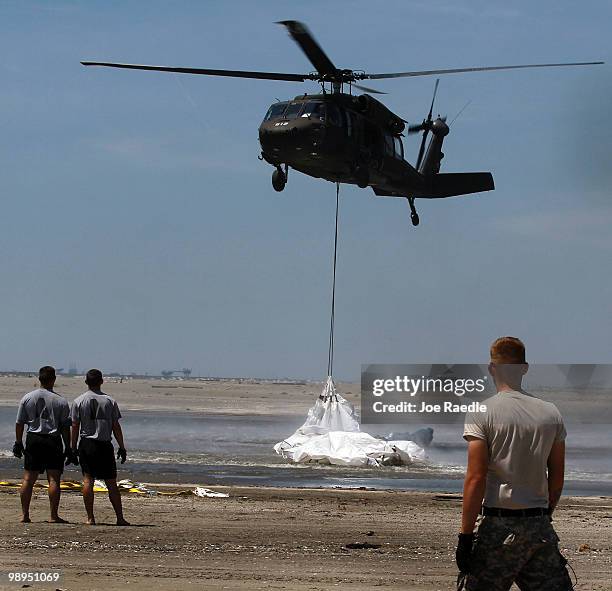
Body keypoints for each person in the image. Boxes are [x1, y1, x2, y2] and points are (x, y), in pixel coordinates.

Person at [456, 337, 572, 590]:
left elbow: (476, 478)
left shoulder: (482, 411)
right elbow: (557, 478)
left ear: (491, 368)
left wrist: (465, 536)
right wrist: (543, 515)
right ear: (525, 368)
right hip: (539, 526)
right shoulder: (550, 412)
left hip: (499, 526)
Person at [13, 366, 73, 523]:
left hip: (34, 439)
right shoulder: (60, 401)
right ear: (53, 379)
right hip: (52, 440)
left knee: (28, 479)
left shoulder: (27, 398)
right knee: (53, 479)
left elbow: (19, 423)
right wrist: (69, 447)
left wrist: (18, 442)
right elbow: (65, 428)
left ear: (39, 379)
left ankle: (25, 514)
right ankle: (53, 515)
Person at [70, 369, 129, 526]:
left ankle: (90, 517)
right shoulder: (109, 401)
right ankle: (120, 518)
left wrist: (72, 447)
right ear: (101, 381)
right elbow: (115, 426)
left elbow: (75, 426)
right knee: (111, 482)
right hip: (104, 444)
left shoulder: (78, 401)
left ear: (86, 382)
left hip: (87, 444)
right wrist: (122, 446)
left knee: (88, 480)